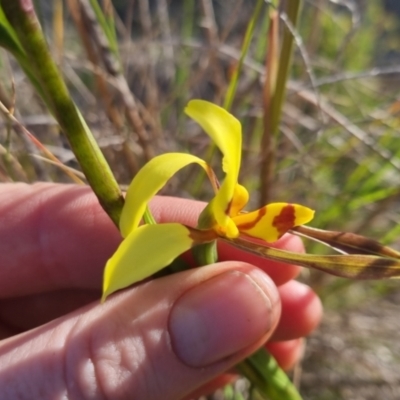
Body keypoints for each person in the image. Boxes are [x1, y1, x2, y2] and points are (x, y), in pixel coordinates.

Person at [0, 183, 322, 399]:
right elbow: (124, 262)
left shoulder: (179, 238)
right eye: (231, 206)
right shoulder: (173, 240)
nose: (236, 208)